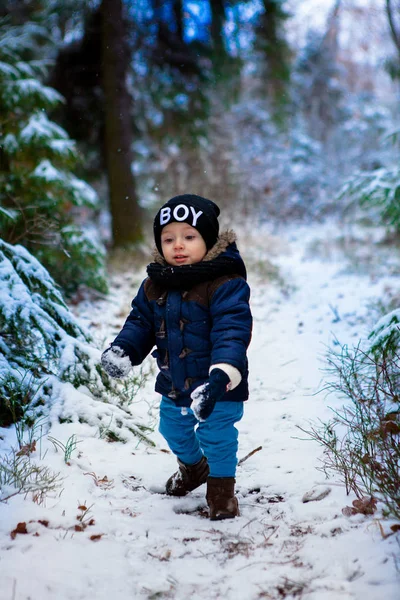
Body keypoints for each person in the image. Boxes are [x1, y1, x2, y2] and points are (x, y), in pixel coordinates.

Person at [101, 194, 252, 520]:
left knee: (217, 436)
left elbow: (231, 330)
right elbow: (140, 323)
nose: (178, 246)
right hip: (174, 380)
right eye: (169, 238)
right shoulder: (155, 284)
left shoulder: (225, 282)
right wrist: (124, 349)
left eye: (189, 236)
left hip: (218, 384)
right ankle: (194, 468)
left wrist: (222, 376)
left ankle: (222, 491)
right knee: (172, 429)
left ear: (208, 241)